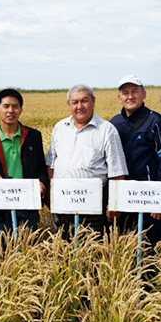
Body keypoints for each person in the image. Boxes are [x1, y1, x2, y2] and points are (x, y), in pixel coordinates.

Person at [46, 84, 128, 239]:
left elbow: (117, 170)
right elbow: (51, 164)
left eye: (84, 101)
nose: (79, 106)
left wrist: (114, 202)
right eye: (75, 102)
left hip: (94, 209)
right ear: (69, 104)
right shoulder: (59, 128)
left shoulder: (106, 130)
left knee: (94, 251)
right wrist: (52, 197)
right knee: (66, 252)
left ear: (93, 101)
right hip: (64, 205)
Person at [0, 89, 49, 238]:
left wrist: (42, 182)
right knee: (5, 248)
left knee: (31, 246)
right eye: (6, 106)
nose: (11, 111)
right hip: (1, 206)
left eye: (15, 106)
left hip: (28, 203)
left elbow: (41, 166)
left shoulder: (33, 136)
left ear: (21, 110)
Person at [109, 75, 161, 248]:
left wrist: (160, 201)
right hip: (123, 198)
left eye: (135, 91)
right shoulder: (114, 124)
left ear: (143, 94)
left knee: (150, 249)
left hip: (148, 199)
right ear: (119, 97)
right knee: (124, 247)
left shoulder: (156, 121)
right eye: (125, 93)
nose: (130, 96)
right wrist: (112, 199)